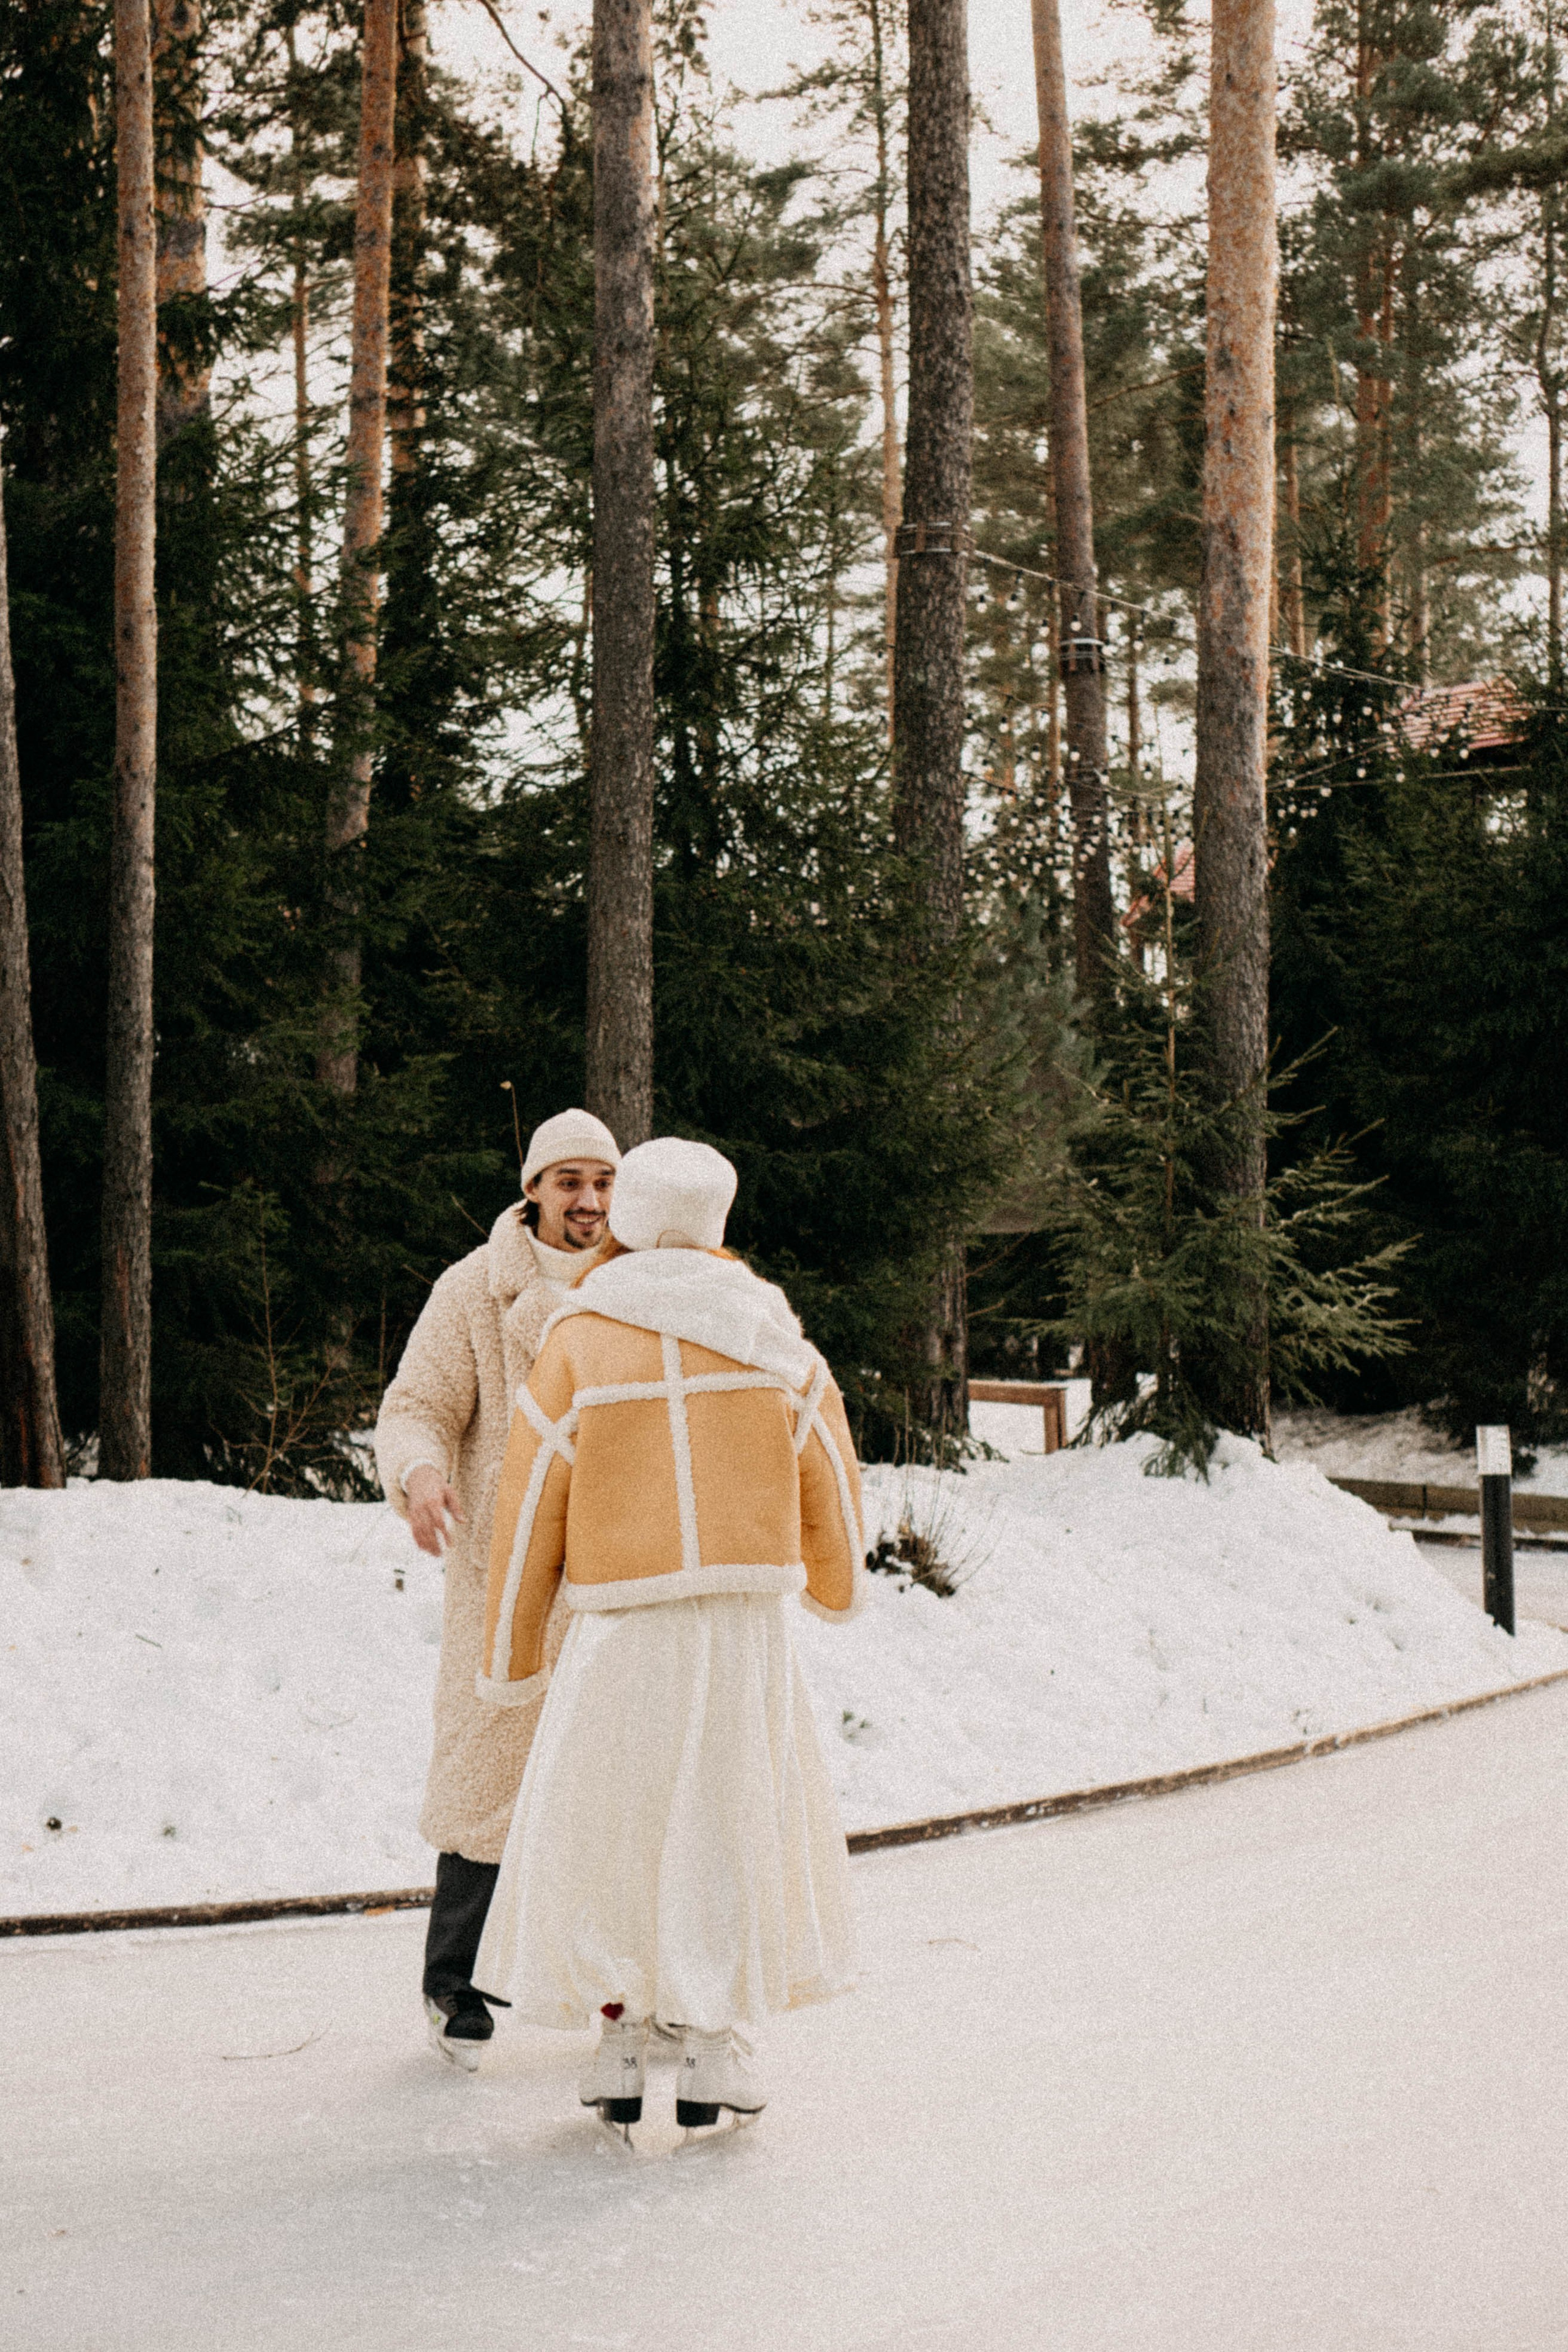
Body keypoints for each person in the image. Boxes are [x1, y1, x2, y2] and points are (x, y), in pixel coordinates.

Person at [472, 1136, 862, 2137]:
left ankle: (619, 2035)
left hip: (621, 1631)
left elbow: (529, 1509)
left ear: (634, 1215)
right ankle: (712, 2046)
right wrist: (833, 1583)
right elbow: (830, 1468)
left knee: (615, 1828)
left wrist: (512, 1653)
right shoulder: (776, 1338)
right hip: (739, 1632)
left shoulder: (580, 1340)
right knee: (727, 1820)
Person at [374, 1107, 620, 2068]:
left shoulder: (635, 1286)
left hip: (608, 1576)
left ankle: (613, 1981)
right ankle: (454, 1982)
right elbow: (417, 1405)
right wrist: (421, 1474)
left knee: (610, 1779)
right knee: (488, 1776)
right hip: (504, 1573)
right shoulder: (474, 1290)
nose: (589, 1203)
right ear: (533, 1189)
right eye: (569, 1183)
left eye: (602, 1184)